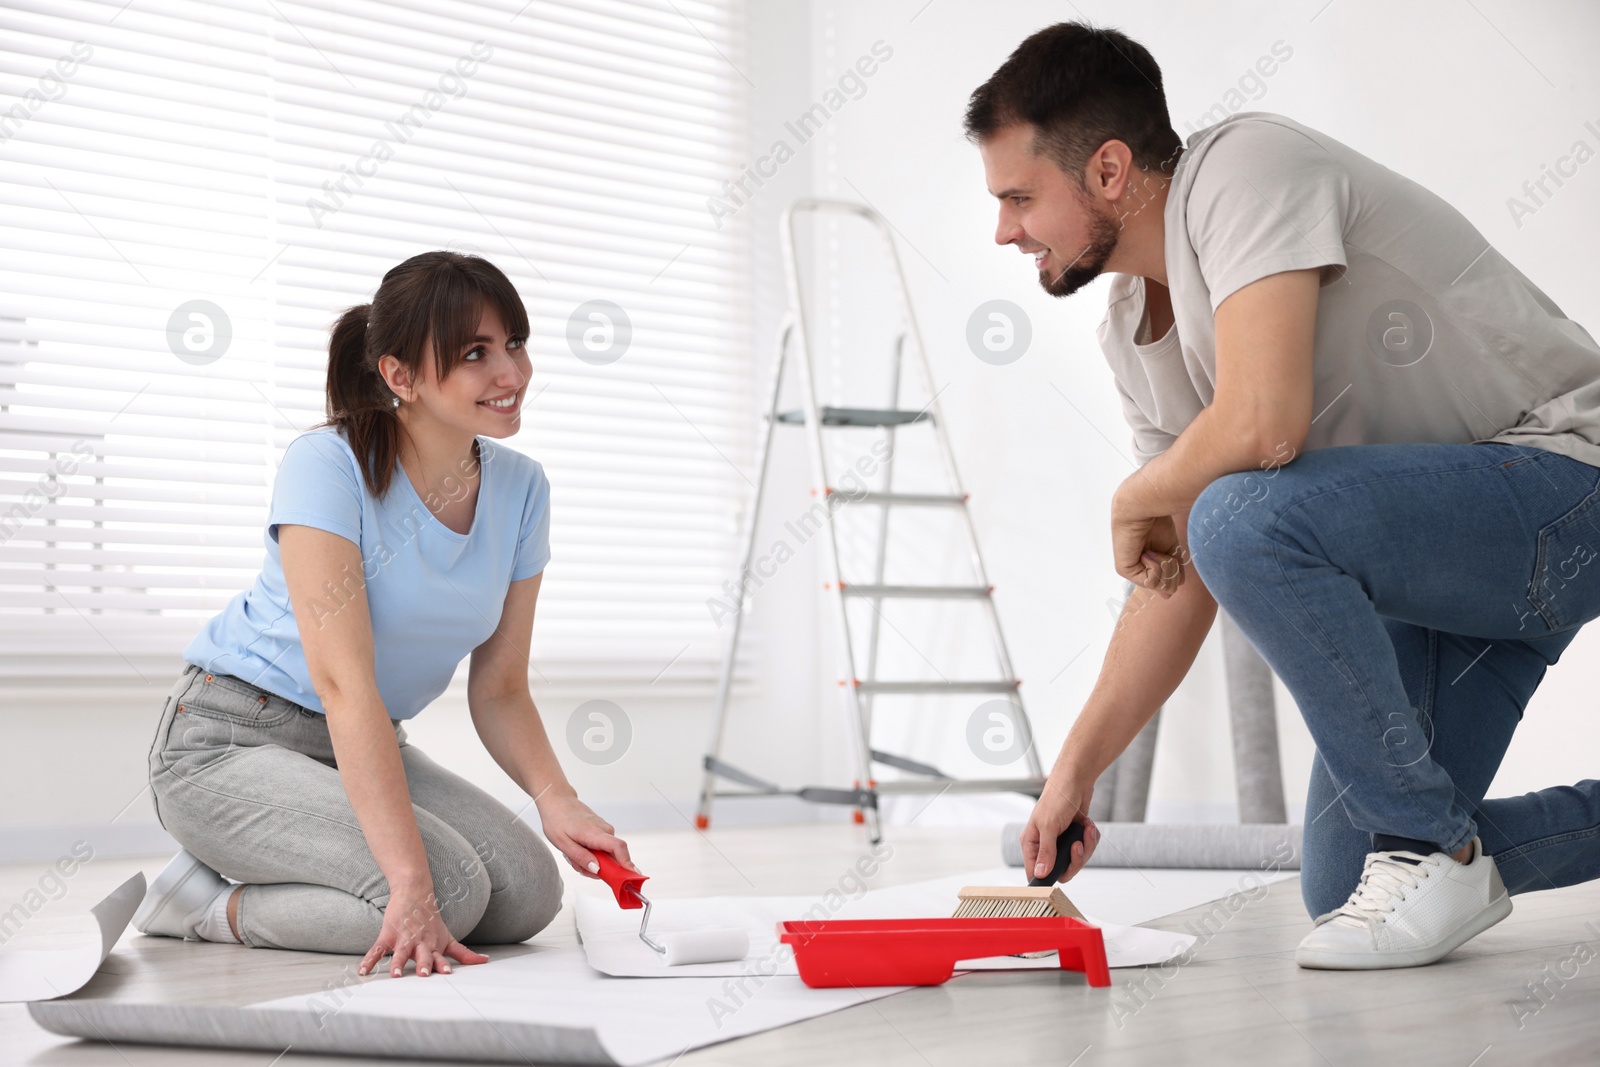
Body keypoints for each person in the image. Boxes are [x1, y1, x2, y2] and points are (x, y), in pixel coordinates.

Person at [966, 21, 1600, 969]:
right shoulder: (1131, 331)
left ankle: (1440, 850)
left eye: (1020, 196)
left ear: (1107, 171)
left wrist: (1139, 489)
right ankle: (1433, 846)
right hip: (1445, 565)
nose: (1004, 230)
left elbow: (1265, 427)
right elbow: (1178, 572)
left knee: (1242, 511)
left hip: (1565, 491)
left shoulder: (1243, 170)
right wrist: (1073, 774)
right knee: (1344, 885)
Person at [134, 251, 636, 979]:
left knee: (528, 892)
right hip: (226, 740)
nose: (512, 374)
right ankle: (205, 903)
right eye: (475, 354)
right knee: (446, 890)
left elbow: (499, 688)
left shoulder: (522, 489)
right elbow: (344, 684)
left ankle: (319, 873)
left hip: (361, 746)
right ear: (400, 377)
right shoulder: (327, 464)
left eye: (515, 344)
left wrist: (559, 799)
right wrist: (409, 881)